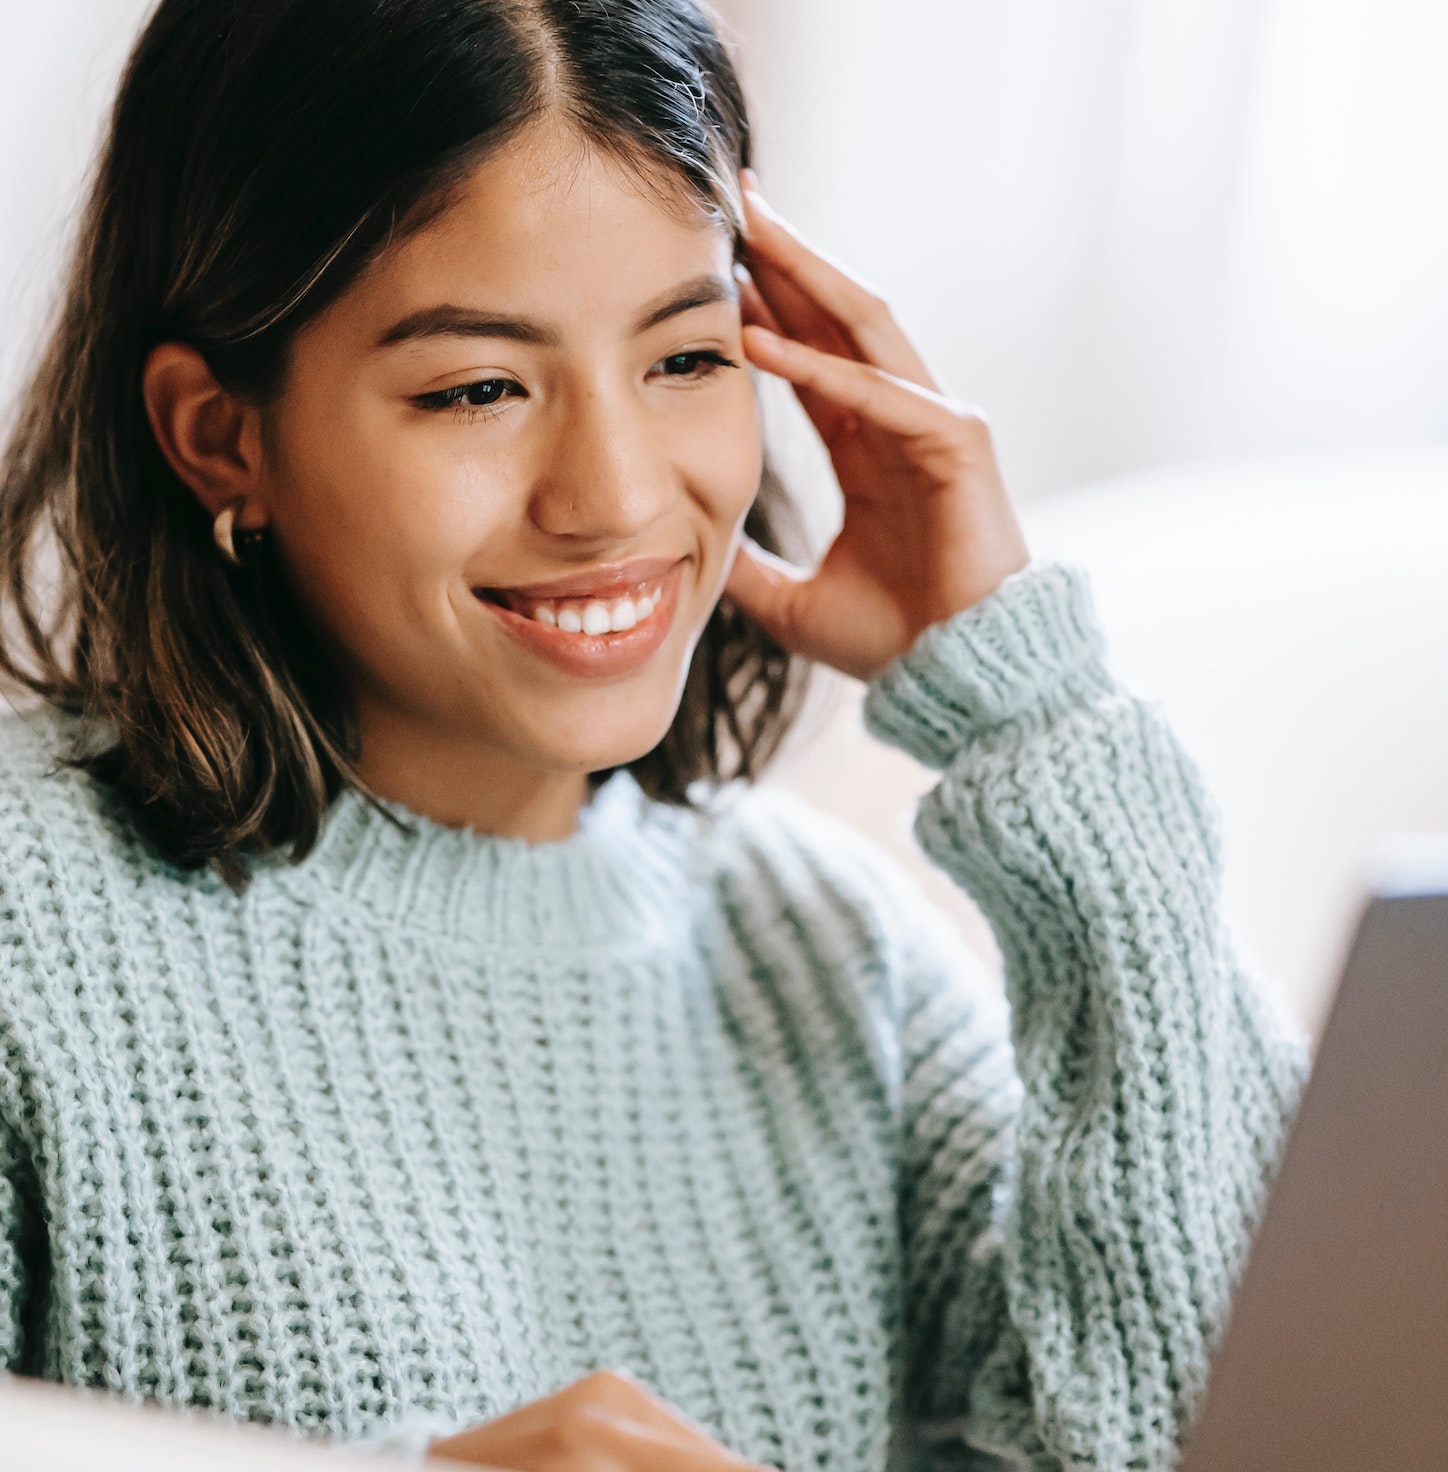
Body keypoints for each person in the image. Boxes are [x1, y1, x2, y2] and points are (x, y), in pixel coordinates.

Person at [0, 1, 1310, 1468]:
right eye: (478, 388)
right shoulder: (27, 916)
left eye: (687, 358)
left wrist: (1033, 712)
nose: (615, 496)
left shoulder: (835, 957)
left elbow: (1237, 1432)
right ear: (219, 434)